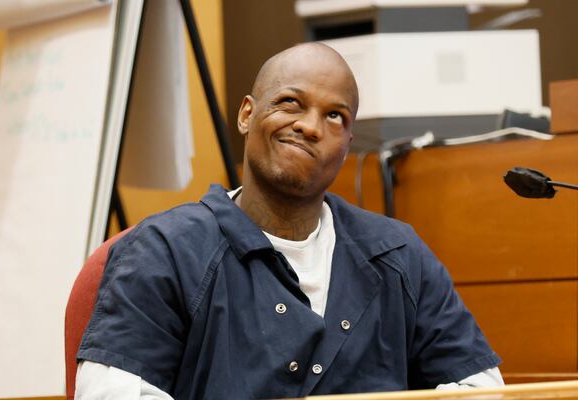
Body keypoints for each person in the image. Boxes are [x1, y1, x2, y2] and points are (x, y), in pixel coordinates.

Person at [76, 43, 503, 399]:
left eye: (335, 116)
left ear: (347, 144)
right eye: (290, 103)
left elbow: (482, 387)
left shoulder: (398, 254)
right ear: (247, 114)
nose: (310, 126)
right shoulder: (164, 251)